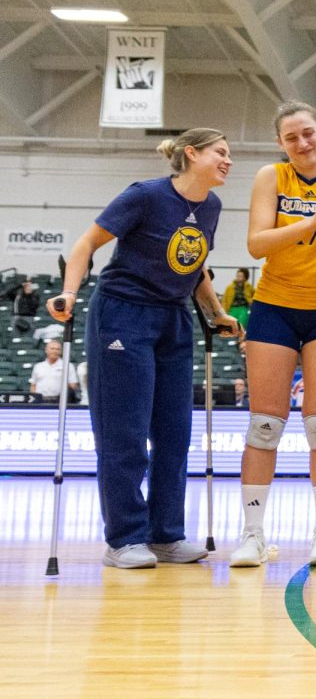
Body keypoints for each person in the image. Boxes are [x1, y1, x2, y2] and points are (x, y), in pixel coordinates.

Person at [46, 128, 238, 568]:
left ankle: (165, 534)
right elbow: (87, 243)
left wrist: (216, 312)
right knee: (125, 433)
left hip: (173, 317)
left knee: (174, 433)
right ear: (192, 153)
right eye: (221, 153)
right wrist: (69, 294)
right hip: (123, 313)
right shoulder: (145, 196)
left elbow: (196, 263)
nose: (229, 161)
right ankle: (124, 539)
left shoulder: (211, 205)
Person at [230, 101, 316, 569]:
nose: (302, 143)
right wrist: (311, 222)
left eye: (308, 133)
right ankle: (252, 534)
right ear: (280, 143)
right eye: (292, 138)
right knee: (264, 424)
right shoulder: (271, 176)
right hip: (274, 308)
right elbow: (256, 243)